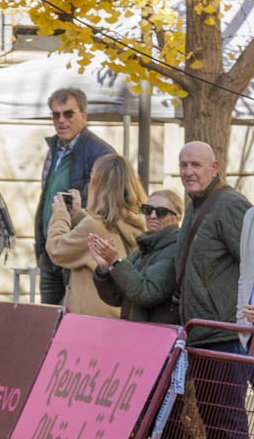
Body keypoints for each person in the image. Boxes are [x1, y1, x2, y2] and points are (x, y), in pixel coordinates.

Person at [148, 142, 252, 439]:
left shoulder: (229, 206)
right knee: (206, 419)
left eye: (196, 165)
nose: (188, 171)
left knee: (225, 421)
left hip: (222, 331)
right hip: (198, 332)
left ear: (215, 167)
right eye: (183, 165)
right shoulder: (194, 206)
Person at [35, 87, 116, 306]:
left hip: (77, 252)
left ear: (84, 115)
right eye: (55, 114)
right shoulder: (55, 148)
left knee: (71, 324)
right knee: (49, 322)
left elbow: (107, 208)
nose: (61, 120)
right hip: (50, 250)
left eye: (68, 113)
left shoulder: (101, 153)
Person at [43, 152, 145, 318]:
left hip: (91, 318)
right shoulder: (135, 221)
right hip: (117, 315)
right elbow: (96, 233)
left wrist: (60, 215)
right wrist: (78, 215)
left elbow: (57, 249)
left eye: (92, 177)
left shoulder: (95, 225)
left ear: (98, 185)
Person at [91, 189, 182, 324]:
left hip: (158, 338)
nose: (152, 216)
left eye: (161, 212)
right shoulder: (140, 251)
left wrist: (115, 262)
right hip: (132, 334)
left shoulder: (176, 250)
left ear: (178, 217)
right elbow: (115, 298)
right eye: (147, 209)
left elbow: (147, 294)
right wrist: (105, 268)